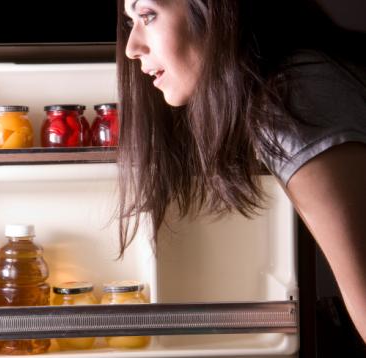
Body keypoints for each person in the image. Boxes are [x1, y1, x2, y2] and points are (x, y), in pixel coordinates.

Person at [117, 0, 366, 343]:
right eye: (131, 22)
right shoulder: (299, 78)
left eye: (147, 15)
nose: (132, 47)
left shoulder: (293, 102)